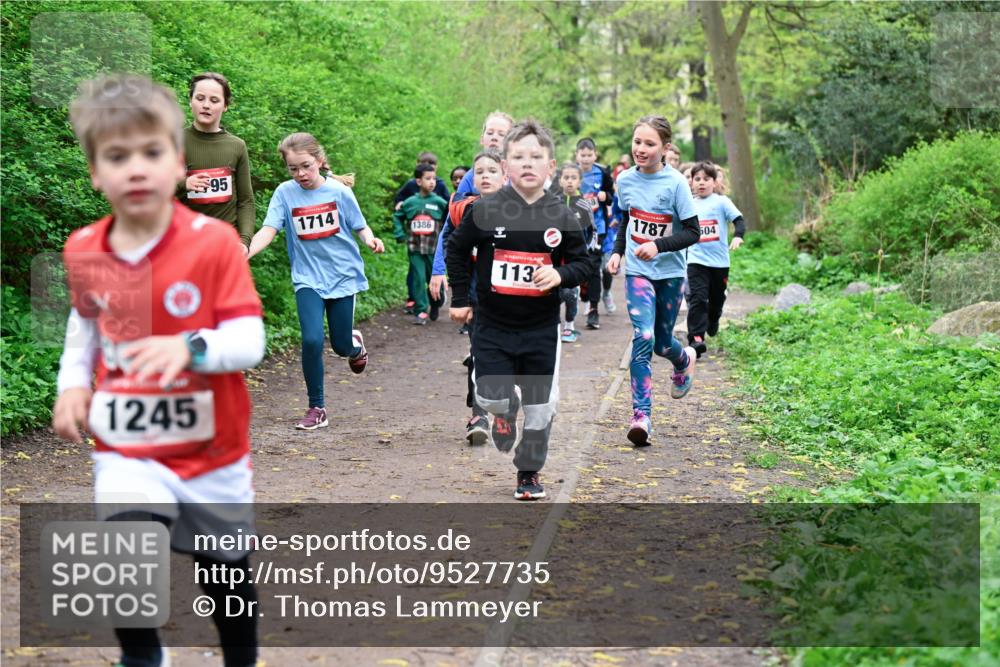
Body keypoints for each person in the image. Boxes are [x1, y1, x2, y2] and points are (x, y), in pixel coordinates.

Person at [54, 73, 264, 667]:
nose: (136, 168)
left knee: (224, 577)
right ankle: (144, 657)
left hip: (212, 448)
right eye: (117, 156)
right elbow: (84, 328)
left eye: (151, 153)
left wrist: (190, 349)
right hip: (128, 438)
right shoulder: (85, 248)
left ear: (178, 165)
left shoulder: (213, 245)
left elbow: (249, 339)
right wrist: (73, 383)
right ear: (97, 173)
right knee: (123, 541)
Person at [447, 119, 591, 500]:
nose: (527, 164)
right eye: (518, 157)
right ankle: (505, 411)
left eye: (536, 157)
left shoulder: (564, 216)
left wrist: (559, 275)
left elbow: (583, 265)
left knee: (541, 409)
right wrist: (460, 298)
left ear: (551, 166)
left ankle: (528, 474)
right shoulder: (486, 210)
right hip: (492, 323)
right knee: (492, 395)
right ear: (506, 165)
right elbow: (457, 251)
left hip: (541, 328)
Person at [248, 132, 385, 430]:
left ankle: (353, 345)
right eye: (293, 169)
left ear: (320, 162)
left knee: (339, 345)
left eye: (306, 166)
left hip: (342, 275)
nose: (300, 174)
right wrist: (246, 251)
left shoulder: (338, 192)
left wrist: (370, 240)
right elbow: (269, 229)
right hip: (307, 278)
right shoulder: (285, 193)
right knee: (311, 340)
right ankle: (317, 407)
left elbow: (360, 226)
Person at [606, 115, 701, 448]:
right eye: (637, 142)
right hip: (638, 272)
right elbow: (625, 221)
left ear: (665, 148)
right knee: (642, 336)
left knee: (662, 343)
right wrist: (618, 251)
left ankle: (682, 359)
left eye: (649, 144)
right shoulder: (625, 181)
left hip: (671, 273)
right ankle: (641, 417)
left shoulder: (675, 184)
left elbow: (693, 232)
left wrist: (657, 245)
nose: (641, 149)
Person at [428, 150, 503, 445]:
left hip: (516, 299)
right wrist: (458, 296)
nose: (484, 176)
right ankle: (479, 415)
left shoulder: (525, 206)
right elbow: (452, 244)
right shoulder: (468, 208)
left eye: (492, 170)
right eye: (480, 171)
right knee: (481, 351)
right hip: (479, 293)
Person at [178, 72, 255, 254]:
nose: (206, 105)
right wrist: (184, 183)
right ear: (190, 101)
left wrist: (244, 241)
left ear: (225, 106)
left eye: (214, 100)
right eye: (200, 98)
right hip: (183, 244)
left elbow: (246, 201)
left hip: (224, 246)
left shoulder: (237, 146)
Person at [685, 161, 745, 357]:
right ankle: (696, 339)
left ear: (714, 182)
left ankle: (714, 319)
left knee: (716, 300)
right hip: (696, 260)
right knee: (698, 298)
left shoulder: (721, 202)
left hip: (719, 262)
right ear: (692, 182)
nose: (701, 183)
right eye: (697, 179)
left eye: (706, 179)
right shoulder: (688, 204)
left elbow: (739, 221)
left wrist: (738, 236)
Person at [394, 151, 450, 314]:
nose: (432, 182)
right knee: (418, 279)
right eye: (428, 179)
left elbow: (450, 218)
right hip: (415, 248)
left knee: (434, 279)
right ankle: (421, 310)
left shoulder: (439, 202)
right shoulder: (410, 202)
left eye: (434, 179)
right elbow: (398, 216)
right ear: (418, 181)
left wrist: (447, 236)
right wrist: (399, 234)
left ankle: (436, 302)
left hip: (434, 249)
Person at [574, 138, 615, 328]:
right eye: (583, 155)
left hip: (598, 228)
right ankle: (584, 292)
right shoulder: (570, 173)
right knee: (579, 266)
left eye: (589, 155)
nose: (586, 159)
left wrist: (605, 196)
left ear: (595, 155)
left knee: (594, 268)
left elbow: (611, 197)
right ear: (577, 156)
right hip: (575, 228)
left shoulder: (603, 172)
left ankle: (593, 309)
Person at [554, 162, 597, 343]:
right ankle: (553, 325)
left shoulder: (584, 204)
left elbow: (592, 231)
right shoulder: (553, 201)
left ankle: (569, 326)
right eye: (566, 178)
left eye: (573, 178)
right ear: (560, 180)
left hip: (573, 259)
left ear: (579, 181)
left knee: (571, 294)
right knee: (554, 293)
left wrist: (585, 252)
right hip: (555, 257)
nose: (569, 181)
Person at [454, 111, 514, 197]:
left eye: (501, 134)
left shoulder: (519, 176)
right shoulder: (470, 177)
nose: (494, 138)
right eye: (490, 133)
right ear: (482, 139)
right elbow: (456, 208)